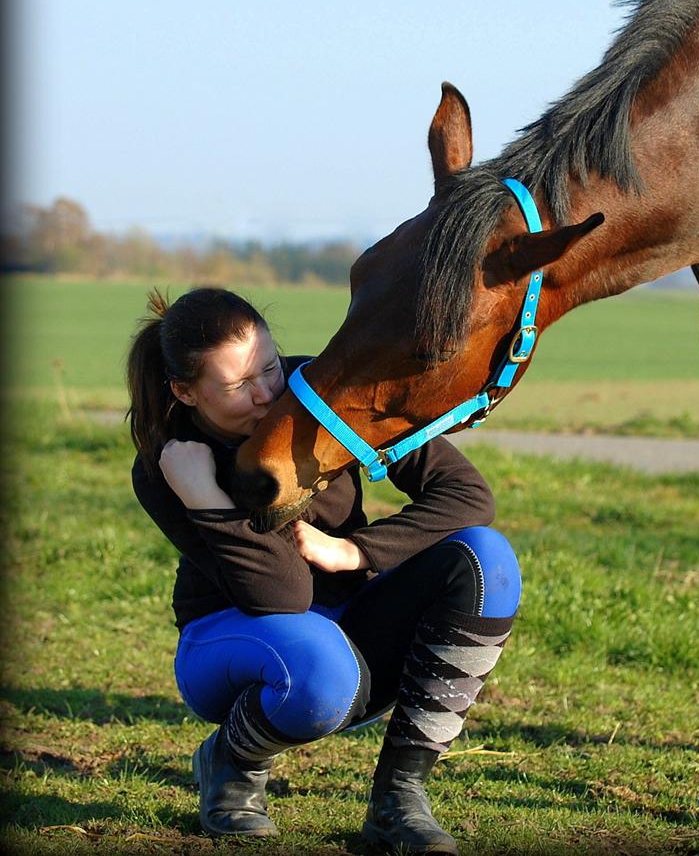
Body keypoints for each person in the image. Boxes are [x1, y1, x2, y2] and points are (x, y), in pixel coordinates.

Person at [126, 286, 520, 855]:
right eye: (239, 385)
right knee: (318, 665)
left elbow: (466, 494)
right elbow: (282, 595)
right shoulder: (171, 462)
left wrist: (357, 551)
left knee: (487, 561)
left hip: (350, 622)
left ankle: (399, 800)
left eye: (269, 366)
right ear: (185, 391)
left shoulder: (321, 396)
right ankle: (232, 760)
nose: (266, 393)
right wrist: (207, 501)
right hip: (235, 644)